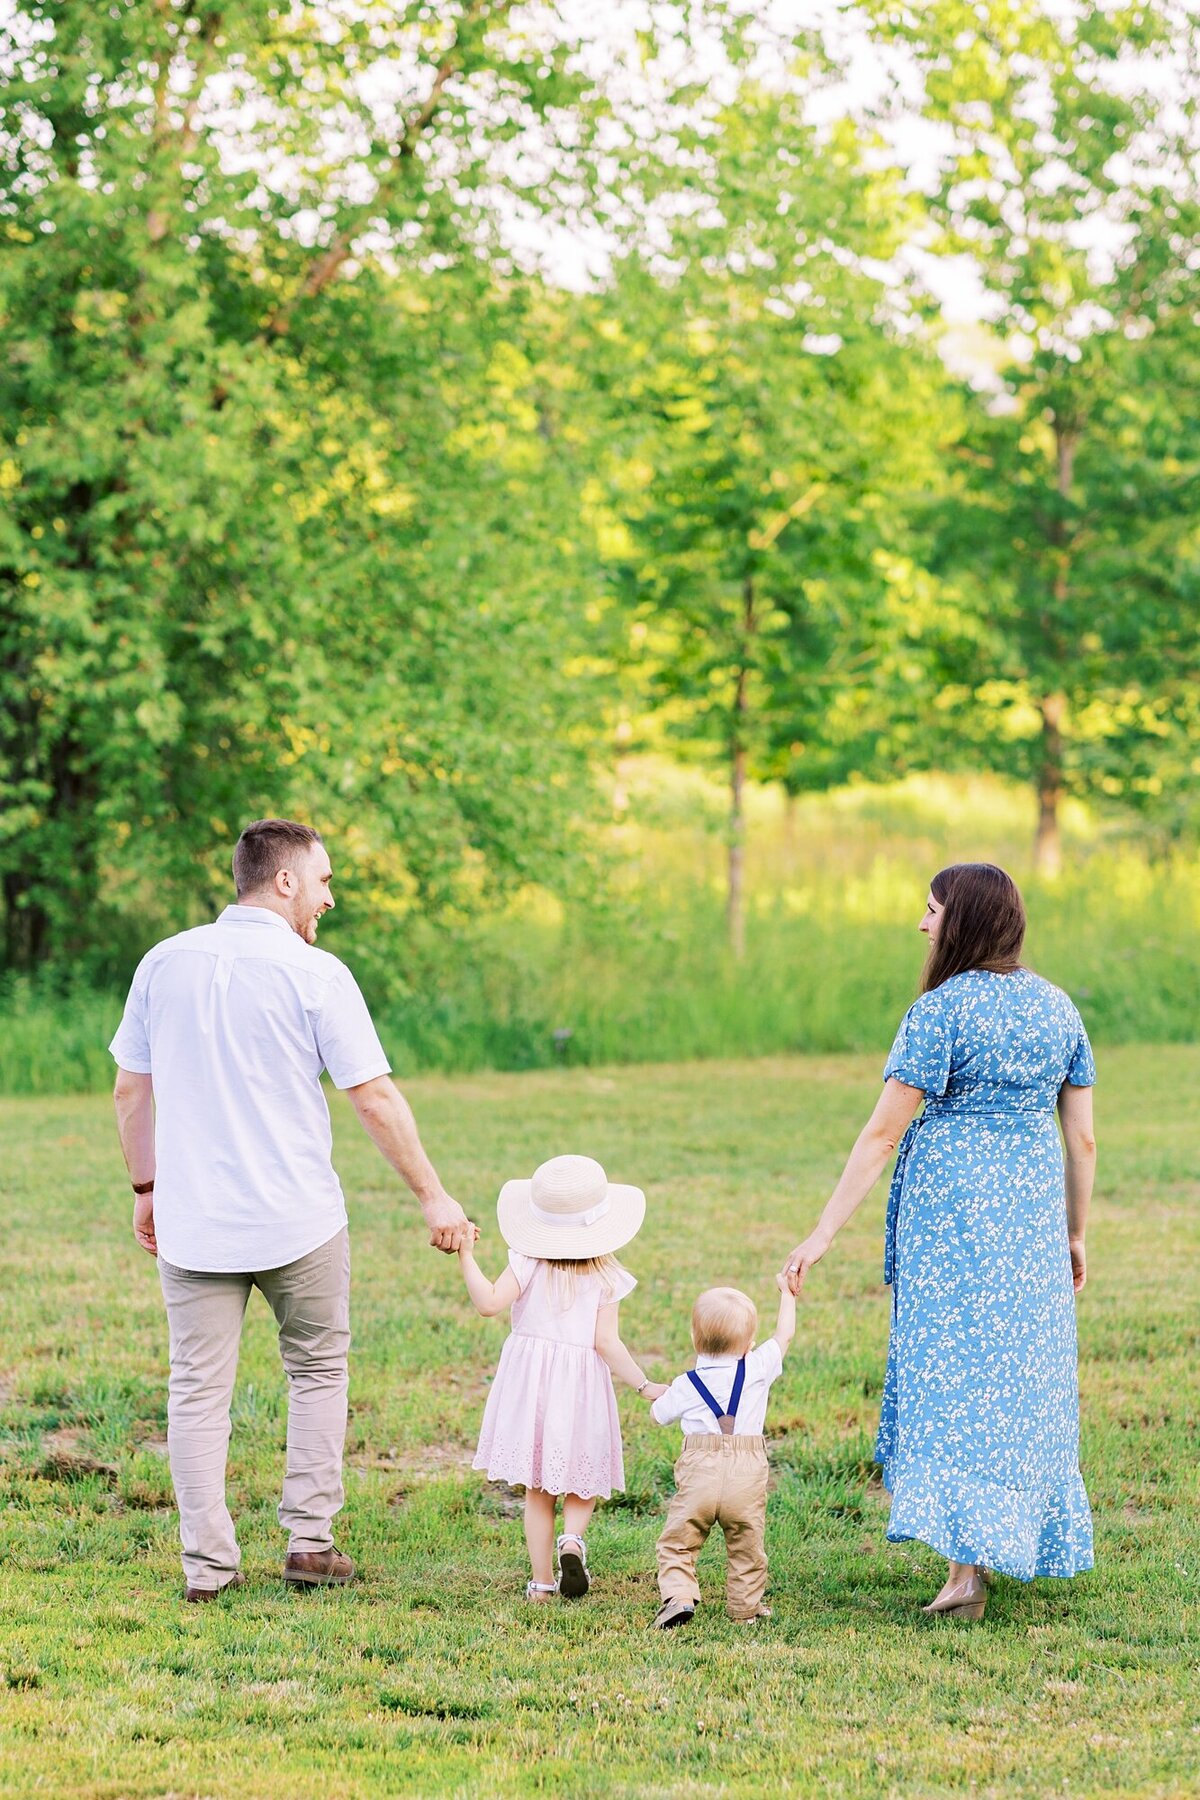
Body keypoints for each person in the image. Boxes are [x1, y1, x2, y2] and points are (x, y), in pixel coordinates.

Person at [110, 817, 474, 1602]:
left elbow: (130, 1088)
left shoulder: (162, 963)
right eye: (325, 880)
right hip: (298, 1220)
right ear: (284, 881)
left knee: (196, 1389)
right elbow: (373, 1097)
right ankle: (309, 1543)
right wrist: (432, 1194)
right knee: (316, 1371)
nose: (329, 899)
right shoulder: (317, 975)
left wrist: (147, 1190)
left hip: (195, 1220)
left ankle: (206, 1567)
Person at [783, 862, 1097, 1620]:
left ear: (959, 921)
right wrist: (1075, 1233)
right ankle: (997, 1545)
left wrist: (823, 1232)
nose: (922, 925)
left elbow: (883, 1131)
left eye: (931, 911)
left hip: (952, 1223)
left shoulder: (940, 1012)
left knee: (957, 1376)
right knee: (1020, 1378)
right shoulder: (1059, 1010)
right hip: (1028, 1223)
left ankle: (966, 1573)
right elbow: (1082, 1141)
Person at [457, 1153, 661, 1602]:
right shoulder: (608, 1275)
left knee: (537, 1488)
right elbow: (608, 1343)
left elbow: (489, 1303)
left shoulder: (526, 1262)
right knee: (581, 1476)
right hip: (583, 1386)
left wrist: (466, 1255)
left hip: (532, 1386)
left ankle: (542, 1582)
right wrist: (645, 1386)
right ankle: (574, 1539)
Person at [649, 1278, 796, 1629]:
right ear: (749, 1344)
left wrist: (659, 1393)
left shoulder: (686, 1384)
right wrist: (787, 1295)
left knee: (678, 1543)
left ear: (693, 1338)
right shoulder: (757, 1368)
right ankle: (745, 1609)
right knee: (747, 1544)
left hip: (700, 1471)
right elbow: (785, 1335)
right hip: (746, 1472)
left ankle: (680, 1596)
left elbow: (658, 1415)